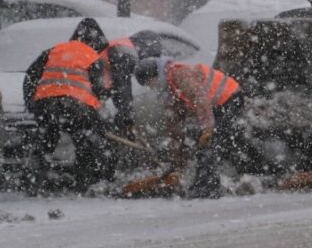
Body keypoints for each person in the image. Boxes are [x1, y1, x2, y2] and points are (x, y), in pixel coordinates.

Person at [133, 57, 245, 198]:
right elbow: (174, 122)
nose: (151, 87)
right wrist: (177, 157)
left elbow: (200, 99)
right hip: (216, 106)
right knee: (225, 142)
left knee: (209, 143)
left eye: (150, 83)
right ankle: (255, 169)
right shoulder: (169, 88)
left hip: (230, 98)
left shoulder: (179, 74)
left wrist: (207, 129)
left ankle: (209, 187)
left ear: (155, 76)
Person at [22, 18, 112, 191]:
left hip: (46, 104)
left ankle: (36, 179)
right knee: (85, 139)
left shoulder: (54, 50)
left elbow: (30, 76)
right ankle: (85, 180)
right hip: (76, 106)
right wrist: (100, 118)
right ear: (96, 41)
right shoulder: (92, 56)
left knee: (47, 138)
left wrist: (31, 103)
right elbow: (100, 90)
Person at [95, 29, 161, 137]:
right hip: (90, 89)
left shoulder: (124, 47)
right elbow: (122, 87)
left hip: (93, 87)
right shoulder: (126, 53)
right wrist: (127, 117)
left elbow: (118, 86)